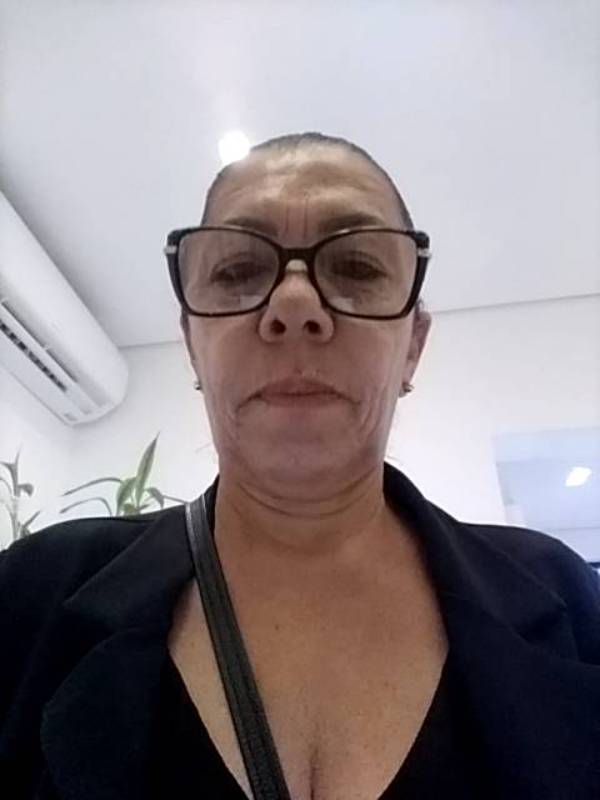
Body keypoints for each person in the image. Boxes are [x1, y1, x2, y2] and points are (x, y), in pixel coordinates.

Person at [1, 132, 599, 800]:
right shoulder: (30, 595)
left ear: (412, 347)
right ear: (193, 346)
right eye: (237, 272)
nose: (293, 305)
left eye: (356, 267)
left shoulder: (566, 599)